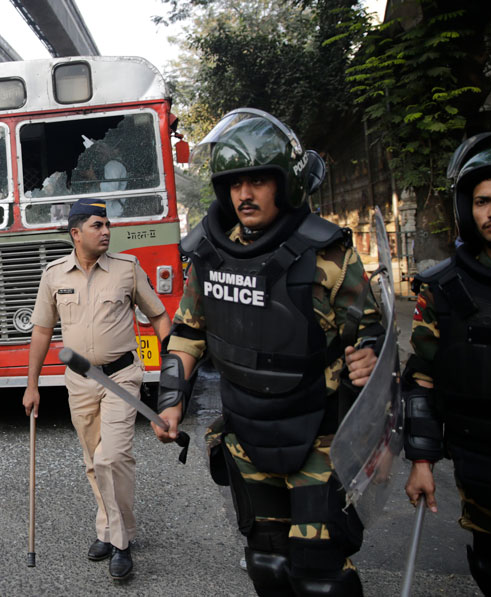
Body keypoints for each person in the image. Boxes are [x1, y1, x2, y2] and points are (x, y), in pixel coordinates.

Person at [152, 108, 382, 596]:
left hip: (317, 429)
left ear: (285, 184)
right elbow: (188, 334)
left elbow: (371, 330)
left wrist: (371, 354)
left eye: (258, 180)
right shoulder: (209, 255)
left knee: (320, 572)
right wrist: (170, 401)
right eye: (235, 183)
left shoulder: (328, 253)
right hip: (245, 428)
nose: (244, 194)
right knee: (267, 562)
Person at [22, 197, 171, 580]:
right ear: (76, 233)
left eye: (107, 226)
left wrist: (174, 376)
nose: (106, 232)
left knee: (112, 457)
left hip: (121, 377)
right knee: (93, 461)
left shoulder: (127, 268)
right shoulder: (54, 275)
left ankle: (121, 543)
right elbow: (41, 331)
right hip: (80, 381)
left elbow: (158, 316)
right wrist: (32, 385)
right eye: (97, 226)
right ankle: (107, 526)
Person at [402, 130, 491, 595]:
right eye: (482, 201)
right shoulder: (442, 289)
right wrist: (422, 460)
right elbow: (421, 380)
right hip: (483, 468)